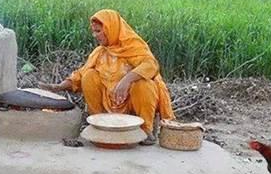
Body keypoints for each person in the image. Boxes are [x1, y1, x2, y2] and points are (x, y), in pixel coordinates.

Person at [40, 9, 175, 146]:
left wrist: (126, 81)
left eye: (98, 31)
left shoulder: (134, 47)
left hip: (131, 104)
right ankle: (99, 124)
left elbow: (151, 65)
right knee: (89, 76)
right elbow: (80, 74)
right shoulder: (99, 52)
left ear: (111, 28)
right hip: (109, 101)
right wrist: (60, 86)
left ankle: (145, 130)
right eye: (93, 32)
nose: (95, 35)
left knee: (144, 84)